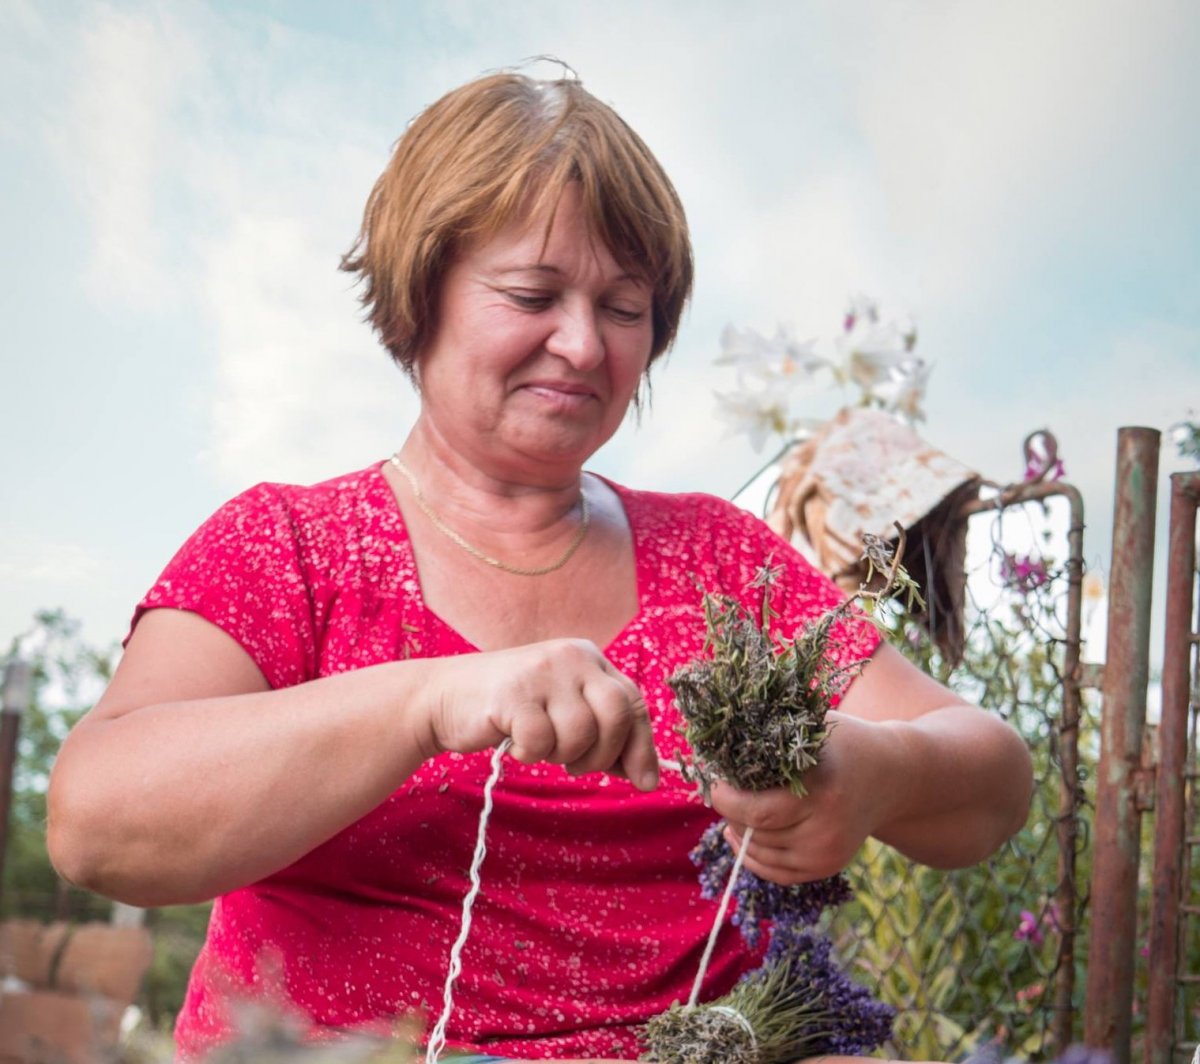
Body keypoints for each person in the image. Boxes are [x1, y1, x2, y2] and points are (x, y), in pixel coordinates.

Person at [47, 70, 1033, 1063]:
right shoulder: (292, 547)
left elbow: (991, 785)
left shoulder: (720, 561)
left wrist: (872, 771)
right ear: (421, 286)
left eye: (623, 306)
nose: (581, 342)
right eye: (532, 293)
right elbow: (97, 822)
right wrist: (427, 701)